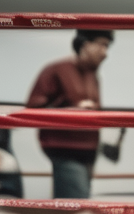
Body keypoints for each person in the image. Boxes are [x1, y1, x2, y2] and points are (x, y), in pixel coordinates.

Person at [27, 30, 112, 198]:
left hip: (88, 151)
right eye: (102, 45)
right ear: (86, 45)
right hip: (64, 150)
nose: (105, 53)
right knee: (76, 208)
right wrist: (72, 112)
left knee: (77, 205)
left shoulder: (93, 75)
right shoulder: (56, 70)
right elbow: (33, 110)